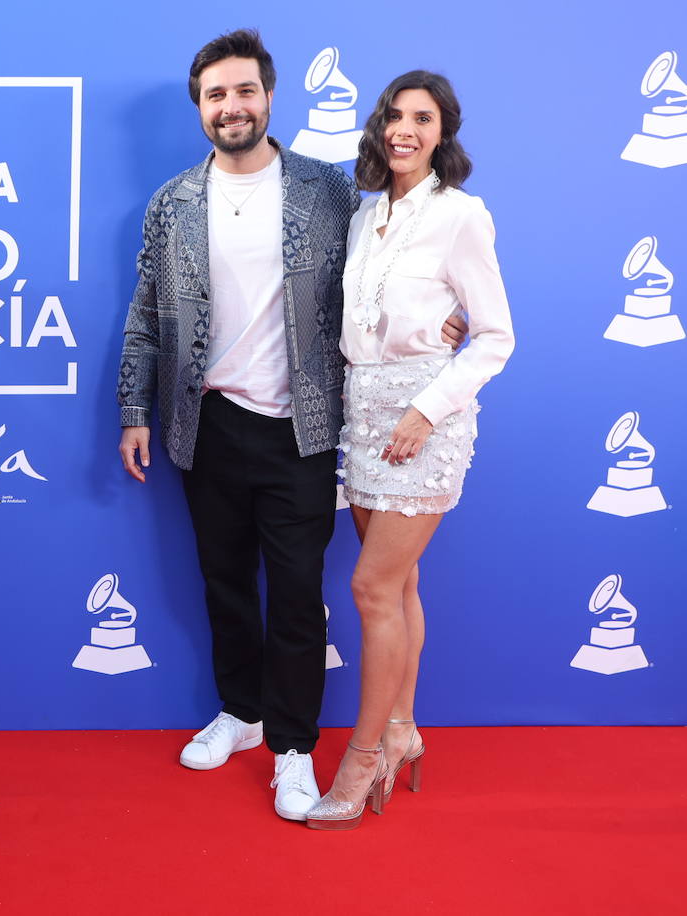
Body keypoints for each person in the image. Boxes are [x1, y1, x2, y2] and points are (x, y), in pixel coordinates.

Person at [116, 31, 465, 822]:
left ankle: (294, 747)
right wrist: (134, 407)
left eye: (244, 92)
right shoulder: (172, 201)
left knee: (299, 596)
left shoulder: (325, 190)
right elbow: (144, 315)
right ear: (200, 108)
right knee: (225, 583)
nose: (230, 107)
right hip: (203, 425)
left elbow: (382, 279)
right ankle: (242, 714)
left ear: (269, 98)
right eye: (215, 96)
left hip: (301, 429)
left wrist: (439, 324)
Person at [305, 71, 514, 830]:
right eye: (394, 116)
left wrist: (427, 410)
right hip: (362, 414)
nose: (405, 129)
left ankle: (362, 759)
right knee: (398, 587)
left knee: (369, 589)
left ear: (443, 132)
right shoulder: (364, 217)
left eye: (421, 119)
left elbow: (495, 334)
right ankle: (403, 729)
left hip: (424, 421)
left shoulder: (462, 216)